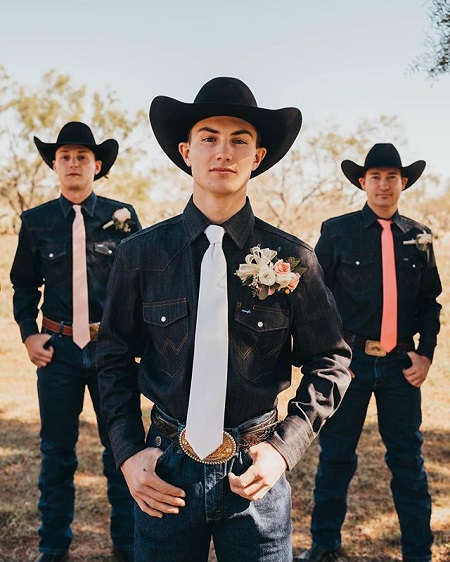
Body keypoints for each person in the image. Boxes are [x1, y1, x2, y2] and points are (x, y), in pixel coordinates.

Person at [96, 76, 352, 562]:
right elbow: (111, 358)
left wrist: (283, 450)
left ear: (257, 157)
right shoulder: (140, 255)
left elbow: (332, 361)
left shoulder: (293, 259)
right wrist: (129, 454)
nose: (223, 151)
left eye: (240, 140)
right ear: (186, 150)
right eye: (209, 137)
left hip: (254, 475)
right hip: (166, 471)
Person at [296, 144, 442, 562]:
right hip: (351, 364)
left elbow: (431, 303)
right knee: (337, 457)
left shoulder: (419, 236)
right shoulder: (337, 231)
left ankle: (419, 552)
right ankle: (324, 546)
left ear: (404, 182)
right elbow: (316, 299)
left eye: (392, 177)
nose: (383, 184)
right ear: (362, 182)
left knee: (408, 461)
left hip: (400, 364)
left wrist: (426, 354)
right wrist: (332, 356)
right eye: (375, 176)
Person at [10, 122, 142, 562]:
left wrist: (137, 342)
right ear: (54, 164)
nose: (73, 164)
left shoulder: (123, 218)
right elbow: (24, 287)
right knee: (56, 454)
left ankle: (127, 545)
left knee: (121, 451)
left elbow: (140, 286)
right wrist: (30, 334)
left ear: (97, 165)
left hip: (111, 351)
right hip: (59, 352)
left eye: (82, 157)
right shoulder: (36, 222)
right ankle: (53, 547)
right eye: (64, 156)